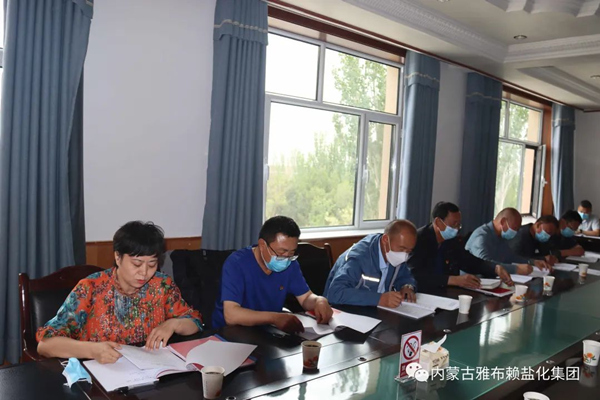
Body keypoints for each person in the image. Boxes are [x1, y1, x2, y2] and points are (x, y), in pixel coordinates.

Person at [37, 221, 202, 364]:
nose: (144, 273)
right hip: (101, 374)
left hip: (149, 372)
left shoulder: (162, 285)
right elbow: (45, 345)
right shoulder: (90, 288)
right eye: (137, 264)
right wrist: (92, 350)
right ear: (118, 257)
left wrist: (173, 324)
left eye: (152, 264)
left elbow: (194, 322)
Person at [212, 216, 333, 334]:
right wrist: (275, 318)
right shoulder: (236, 263)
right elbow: (231, 315)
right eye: (281, 252)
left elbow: (305, 298)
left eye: (291, 253)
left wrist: (319, 301)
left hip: (267, 331)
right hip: (230, 333)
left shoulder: (290, 263)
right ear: (262, 245)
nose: (286, 258)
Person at [408, 202, 513, 290]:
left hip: (446, 293)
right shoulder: (419, 239)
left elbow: (469, 261)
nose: (457, 229)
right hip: (424, 294)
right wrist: (452, 280)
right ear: (438, 222)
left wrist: (495, 268)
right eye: (454, 224)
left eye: (459, 224)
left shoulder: (451, 240)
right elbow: (416, 275)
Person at [323, 220, 417, 308]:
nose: (404, 256)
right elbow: (335, 293)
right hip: (345, 311)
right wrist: (379, 299)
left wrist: (407, 286)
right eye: (401, 249)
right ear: (385, 240)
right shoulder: (358, 259)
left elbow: (404, 275)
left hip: (377, 311)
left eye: (409, 251)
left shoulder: (394, 253)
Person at [465, 208, 549, 274]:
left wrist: (532, 262)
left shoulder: (501, 235)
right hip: (474, 281)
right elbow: (486, 265)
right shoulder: (481, 237)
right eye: (515, 228)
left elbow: (510, 257)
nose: (516, 232)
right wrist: (516, 269)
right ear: (503, 222)